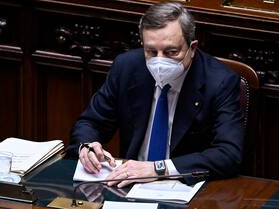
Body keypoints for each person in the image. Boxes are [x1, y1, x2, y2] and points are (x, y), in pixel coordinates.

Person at [67, 2, 244, 187]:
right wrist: (87, 146)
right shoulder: (127, 67)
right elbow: (90, 122)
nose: (160, 61)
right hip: (127, 185)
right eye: (151, 51)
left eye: (171, 52)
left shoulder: (220, 82)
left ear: (192, 48)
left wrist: (158, 169)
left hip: (184, 187)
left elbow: (228, 153)